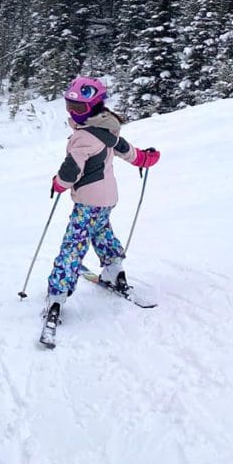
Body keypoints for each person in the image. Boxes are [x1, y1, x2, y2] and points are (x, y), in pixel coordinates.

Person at [45, 76, 160, 324]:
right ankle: (113, 270)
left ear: (93, 106)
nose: (72, 112)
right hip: (108, 199)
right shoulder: (108, 130)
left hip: (88, 200)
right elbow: (130, 153)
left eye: (78, 108)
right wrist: (146, 160)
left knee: (74, 244)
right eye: (69, 106)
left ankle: (58, 294)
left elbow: (70, 171)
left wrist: (58, 184)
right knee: (100, 230)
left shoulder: (82, 137)